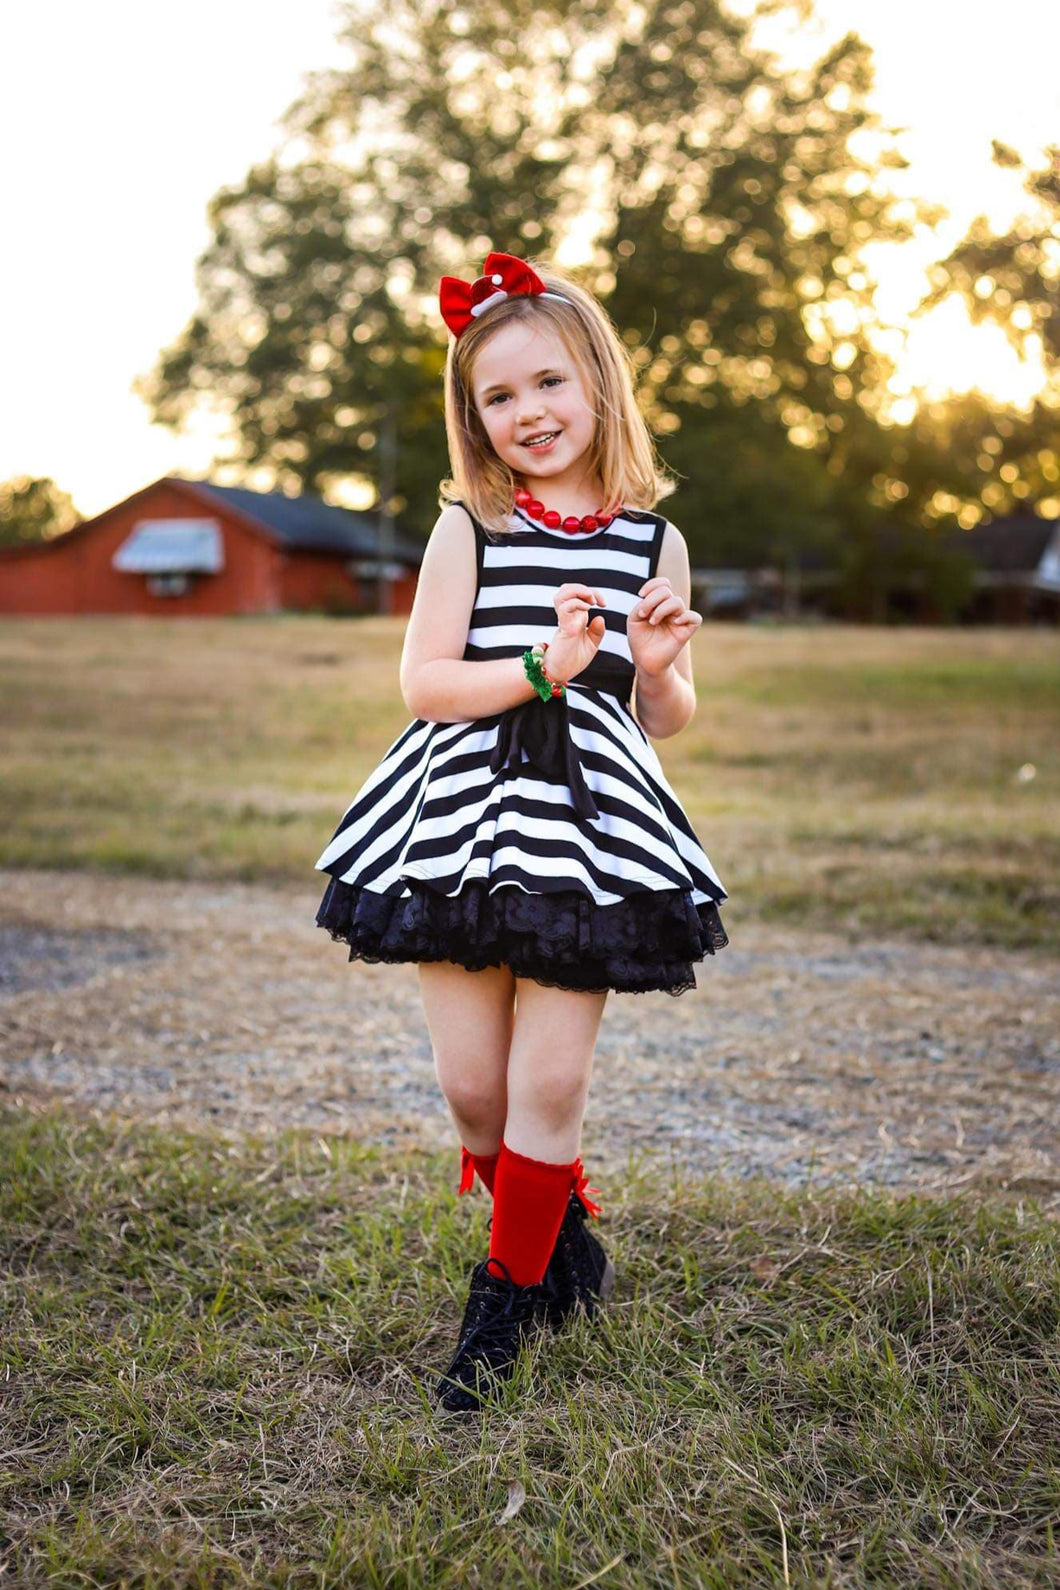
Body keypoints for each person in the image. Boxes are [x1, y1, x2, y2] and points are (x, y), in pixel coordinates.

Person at [314, 250, 729, 1414]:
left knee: (549, 1081)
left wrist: (650, 670)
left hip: (588, 834)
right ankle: (564, 1235)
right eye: (497, 397)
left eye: (548, 384)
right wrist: (539, 668)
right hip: (457, 816)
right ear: (472, 420)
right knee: (474, 1094)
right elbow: (424, 682)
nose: (527, 413)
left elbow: (667, 715)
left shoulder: (654, 544)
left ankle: (502, 1299)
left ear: (597, 382)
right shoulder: (472, 530)